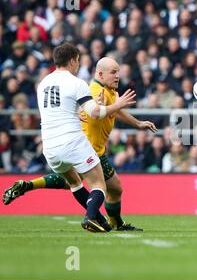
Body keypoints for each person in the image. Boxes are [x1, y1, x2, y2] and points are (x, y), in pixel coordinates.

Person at [3, 57, 157, 231]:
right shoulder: (93, 89)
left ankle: (30, 185)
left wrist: (137, 123)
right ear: (100, 73)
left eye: (118, 72)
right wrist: (81, 112)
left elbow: (116, 110)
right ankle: (103, 220)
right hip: (86, 148)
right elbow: (90, 109)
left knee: (107, 187)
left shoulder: (110, 91)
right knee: (93, 185)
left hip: (95, 148)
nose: (117, 76)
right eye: (113, 72)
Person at [28, 43, 136, 232]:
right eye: (77, 61)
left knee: (74, 183)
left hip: (50, 145)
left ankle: (102, 221)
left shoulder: (43, 83)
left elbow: (63, 108)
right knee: (98, 185)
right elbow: (94, 113)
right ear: (72, 61)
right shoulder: (78, 83)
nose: (78, 66)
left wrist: (84, 110)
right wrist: (117, 105)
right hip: (74, 141)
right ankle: (90, 217)